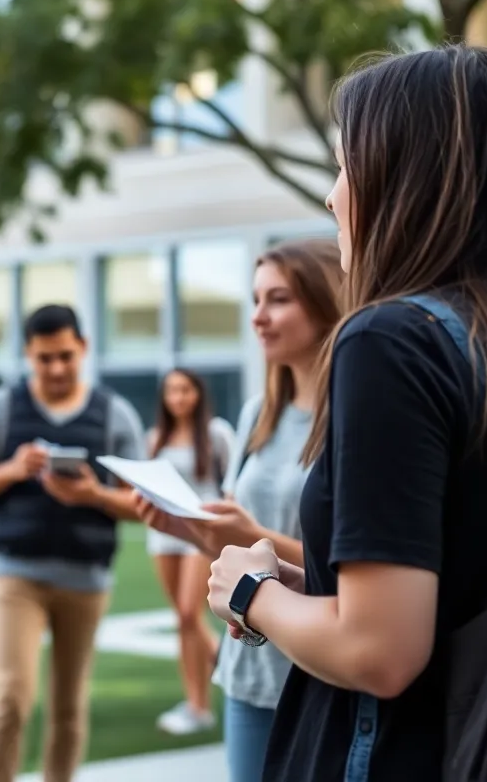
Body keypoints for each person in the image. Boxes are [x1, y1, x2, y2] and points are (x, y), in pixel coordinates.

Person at [207, 46, 487, 781]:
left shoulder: (391, 341)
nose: (333, 198)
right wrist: (304, 574)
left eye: (346, 168)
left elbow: (381, 651)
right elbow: (456, 580)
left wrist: (251, 593)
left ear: (403, 178)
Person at [140, 238, 343, 781]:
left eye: (278, 300)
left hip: (322, 666)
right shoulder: (258, 414)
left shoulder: (357, 413)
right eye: (255, 300)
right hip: (250, 668)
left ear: (328, 301)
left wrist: (259, 537)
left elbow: (357, 565)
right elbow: (239, 544)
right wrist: (183, 526)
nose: (258, 316)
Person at [0, 304, 146, 782]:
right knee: (13, 696)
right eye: (44, 358)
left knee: (69, 705)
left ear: (84, 349)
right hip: (16, 573)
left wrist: (92, 493)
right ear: (27, 355)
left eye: (65, 356)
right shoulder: (0, 407)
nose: (56, 368)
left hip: (86, 576)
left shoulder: (114, 413)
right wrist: (14, 468)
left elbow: (142, 504)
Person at [146, 368, 236, 736]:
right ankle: (197, 705)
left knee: (188, 613)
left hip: (201, 529)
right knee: (182, 620)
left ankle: (228, 667)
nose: (178, 397)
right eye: (171, 391)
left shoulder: (217, 433)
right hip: (164, 533)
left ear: (198, 393)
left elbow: (232, 484)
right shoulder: (155, 437)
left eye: (184, 390)